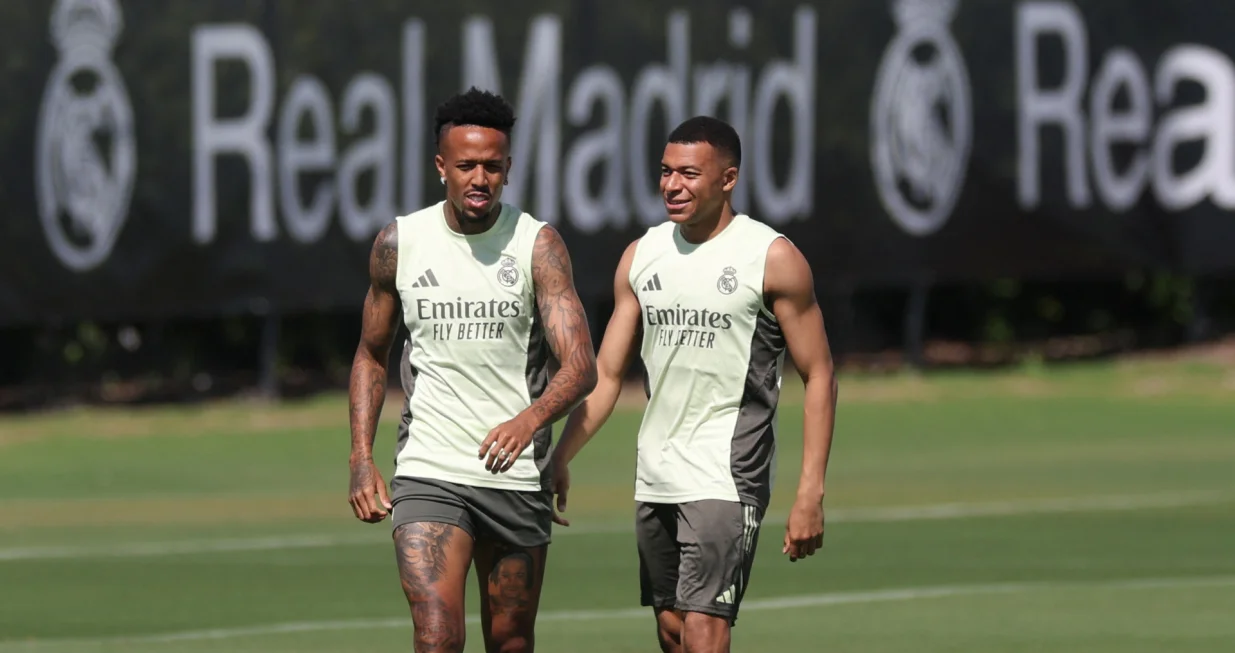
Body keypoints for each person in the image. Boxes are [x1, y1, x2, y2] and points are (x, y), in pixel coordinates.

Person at [549, 116, 838, 653]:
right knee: (673, 629)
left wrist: (810, 491)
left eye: (688, 174)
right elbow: (608, 374)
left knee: (706, 628)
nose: (672, 185)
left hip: (729, 473)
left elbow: (819, 374)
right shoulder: (642, 256)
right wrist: (562, 454)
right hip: (656, 469)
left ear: (727, 180)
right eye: (665, 172)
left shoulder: (771, 257)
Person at [347, 87, 598, 653]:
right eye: (466, 166)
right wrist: (361, 458)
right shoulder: (400, 243)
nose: (479, 178)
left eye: (491, 166)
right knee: (436, 636)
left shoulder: (539, 246)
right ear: (441, 167)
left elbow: (581, 366)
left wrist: (528, 421)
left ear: (508, 168)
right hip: (429, 468)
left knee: (510, 640)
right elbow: (370, 353)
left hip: (514, 475)